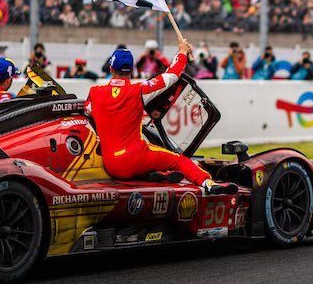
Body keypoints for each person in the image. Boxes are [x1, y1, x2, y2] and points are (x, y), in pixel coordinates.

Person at [86, 41, 236, 195]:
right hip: (134, 158)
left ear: (111, 69)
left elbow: (87, 112)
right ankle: (207, 182)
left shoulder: (95, 93)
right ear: (132, 70)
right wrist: (182, 52)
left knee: (142, 160)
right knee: (179, 160)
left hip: (110, 164)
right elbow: (172, 75)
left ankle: (155, 175)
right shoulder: (139, 90)